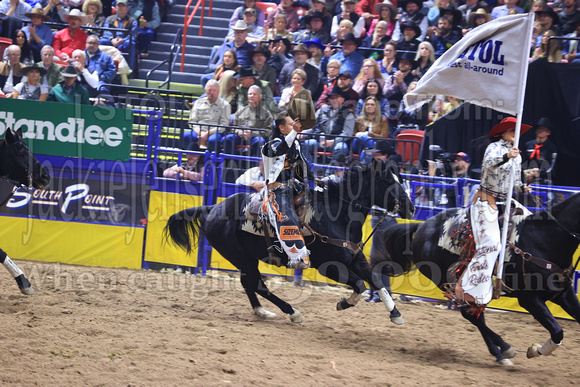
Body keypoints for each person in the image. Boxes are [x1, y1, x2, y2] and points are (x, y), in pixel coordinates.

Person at [455, 117, 533, 306]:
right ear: (502, 133)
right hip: (485, 200)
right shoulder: (494, 148)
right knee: (492, 243)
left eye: (518, 132)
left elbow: (514, 184)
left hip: (505, 201)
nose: (516, 135)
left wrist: (524, 188)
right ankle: (464, 287)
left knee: (532, 227)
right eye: (513, 131)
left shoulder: (518, 155)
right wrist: (508, 156)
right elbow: (488, 164)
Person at [261, 112, 312, 270]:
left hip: (293, 185)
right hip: (275, 190)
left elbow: (302, 162)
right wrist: (295, 132)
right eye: (290, 125)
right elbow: (281, 149)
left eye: (294, 125)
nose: (294, 127)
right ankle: (296, 256)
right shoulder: (270, 145)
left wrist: (314, 179)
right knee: (285, 216)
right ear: (281, 127)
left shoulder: (296, 144)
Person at [301, 86, 355, 163]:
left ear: (343, 99)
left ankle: (329, 172)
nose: (334, 100)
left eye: (337, 98)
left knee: (342, 147)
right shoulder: (322, 110)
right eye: (332, 98)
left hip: (336, 143)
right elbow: (311, 125)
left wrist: (332, 142)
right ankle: (311, 169)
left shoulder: (348, 114)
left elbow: (347, 133)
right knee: (305, 144)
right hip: (319, 141)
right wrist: (303, 134)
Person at [225, 84, 273, 156]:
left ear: (260, 97)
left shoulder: (266, 113)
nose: (252, 96)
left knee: (260, 141)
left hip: (255, 137)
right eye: (250, 94)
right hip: (240, 136)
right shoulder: (240, 111)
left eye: (254, 94)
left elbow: (268, 130)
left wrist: (252, 133)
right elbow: (233, 127)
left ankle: (255, 166)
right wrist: (239, 132)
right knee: (227, 139)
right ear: (247, 96)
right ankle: (233, 163)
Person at [186, 79, 232, 148]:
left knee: (213, 140)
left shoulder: (225, 105)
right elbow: (192, 121)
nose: (211, 93)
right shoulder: (198, 102)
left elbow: (223, 125)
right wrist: (199, 132)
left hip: (215, 132)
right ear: (205, 91)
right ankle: (191, 158)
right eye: (209, 90)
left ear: (218, 92)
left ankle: (211, 158)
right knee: (186, 136)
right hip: (199, 131)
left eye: (214, 90)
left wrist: (208, 133)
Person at [100, 0, 137, 68]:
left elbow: (133, 34)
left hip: (124, 42)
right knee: (102, 41)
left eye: (123, 6)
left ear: (127, 8)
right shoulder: (109, 19)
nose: (121, 8)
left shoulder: (132, 20)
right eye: (119, 6)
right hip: (111, 41)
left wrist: (122, 40)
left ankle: (129, 69)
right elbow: (106, 32)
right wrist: (112, 40)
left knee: (131, 43)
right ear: (115, 8)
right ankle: (101, 67)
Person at [522, 117, 558, 185]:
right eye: (539, 128)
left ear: (548, 132)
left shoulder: (551, 148)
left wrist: (538, 173)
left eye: (543, 129)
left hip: (544, 180)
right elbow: (522, 160)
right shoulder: (528, 145)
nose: (540, 130)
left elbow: (551, 167)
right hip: (527, 177)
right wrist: (525, 172)